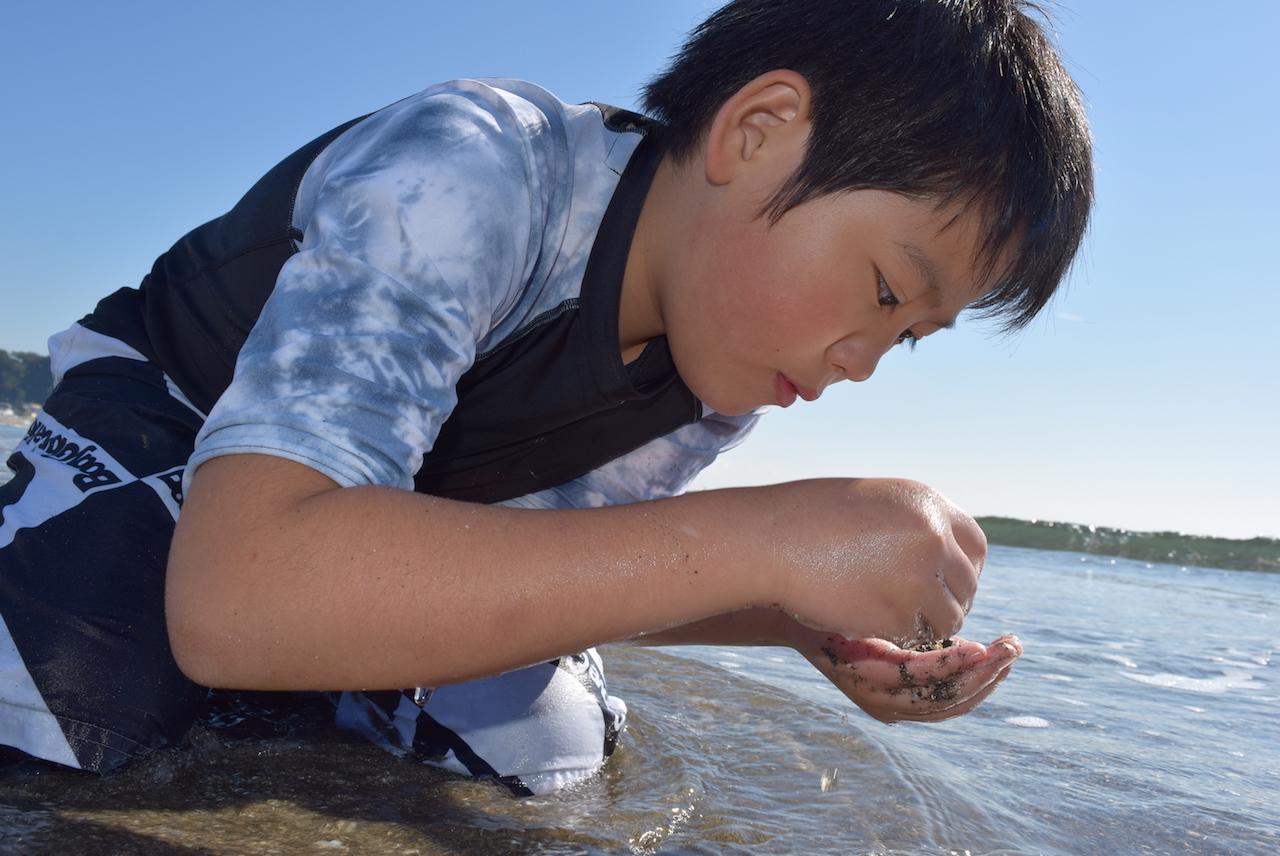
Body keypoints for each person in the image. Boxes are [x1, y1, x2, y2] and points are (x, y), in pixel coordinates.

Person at [0, 0, 1091, 795]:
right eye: (887, 289)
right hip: (175, 410)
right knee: (84, 695)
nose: (862, 359)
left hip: (377, 516)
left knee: (543, 754)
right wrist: (763, 534)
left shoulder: (721, 369)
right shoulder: (473, 169)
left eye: (906, 338)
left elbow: (553, 565)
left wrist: (800, 622)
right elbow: (236, 599)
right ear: (755, 131)